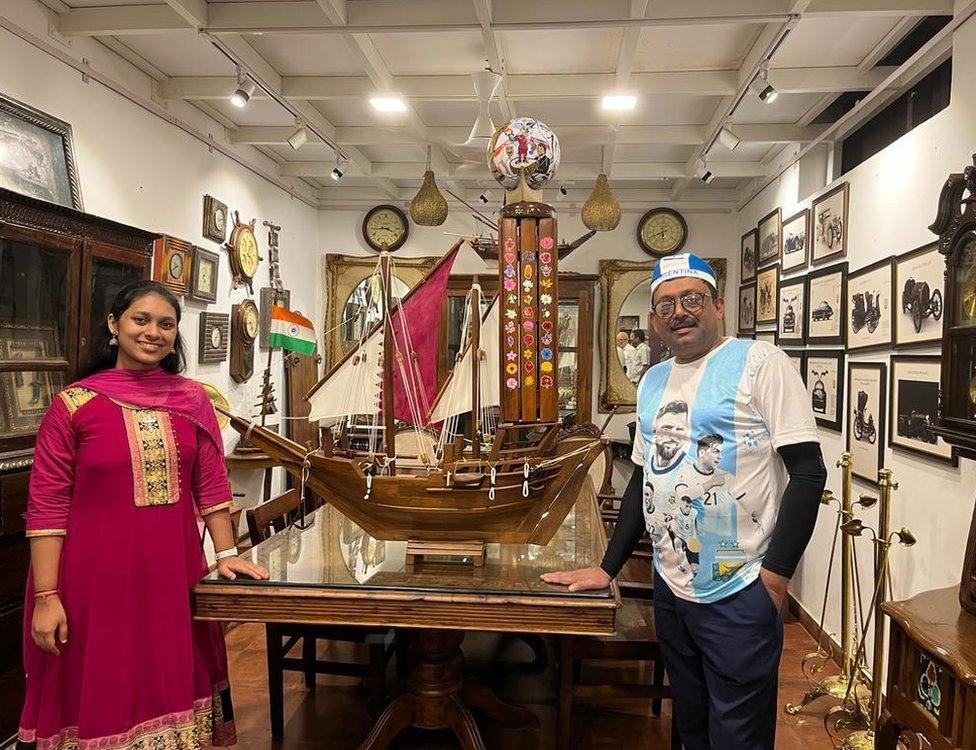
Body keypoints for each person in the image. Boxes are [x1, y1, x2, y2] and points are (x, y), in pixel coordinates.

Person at [541, 253, 826, 750]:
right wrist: (609, 568)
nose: (679, 311)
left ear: (718, 305)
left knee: (737, 733)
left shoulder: (760, 364)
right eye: (666, 304)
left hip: (737, 584)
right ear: (654, 320)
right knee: (690, 722)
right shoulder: (652, 380)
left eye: (692, 298)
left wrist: (775, 579)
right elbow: (643, 480)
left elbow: (808, 471)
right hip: (671, 583)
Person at [19, 280, 268, 750]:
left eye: (166, 324)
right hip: (92, 582)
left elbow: (211, 484)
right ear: (114, 325)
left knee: (168, 675)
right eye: (141, 320)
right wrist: (48, 596)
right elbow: (47, 506)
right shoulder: (73, 405)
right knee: (103, 683)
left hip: (172, 575)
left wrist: (226, 553)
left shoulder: (193, 400)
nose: (153, 332)